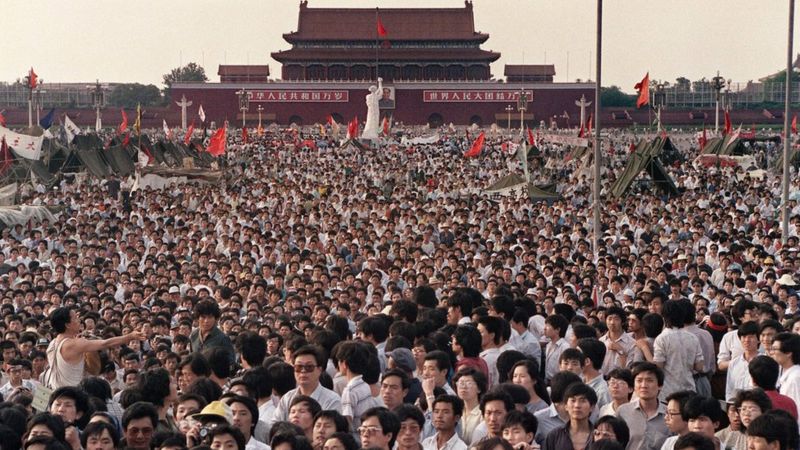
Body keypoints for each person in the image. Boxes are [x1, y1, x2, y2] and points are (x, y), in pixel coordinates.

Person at [45, 307, 144, 389]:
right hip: (73, 395)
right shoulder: (75, 343)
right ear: (67, 325)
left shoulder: (52, 343)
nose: (79, 320)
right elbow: (105, 343)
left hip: (55, 394)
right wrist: (130, 336)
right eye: (75, 318)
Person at [273, 345, 341, 422]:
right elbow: (275, 425)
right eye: (298, 367)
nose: (303, 371)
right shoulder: (287, 398)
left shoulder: (332, 400)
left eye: (309, 367)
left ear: (319, 370)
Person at [653, 301, 704, 402]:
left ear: (664, 316)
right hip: (689, 390)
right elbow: (699, 367)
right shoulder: (692, 338)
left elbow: (659, 366)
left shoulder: (661, 338)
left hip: (668, 392)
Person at [616, 362, 669, 450]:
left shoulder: (670, 414)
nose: (644, 385)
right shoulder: (623, 412)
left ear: (660, 385)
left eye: (649, 380)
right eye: (639, 381)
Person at [542, 383, 596, 450]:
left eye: (583, 401)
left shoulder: (599, 436)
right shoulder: (554, 435)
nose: (577, 405)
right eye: (573, 401)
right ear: (566, 406)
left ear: (592, 407)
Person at [725, 321, 759, 403]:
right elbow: (729, 390)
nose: (747, 340)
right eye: (743, 337)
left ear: (758, 339)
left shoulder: (765, 361)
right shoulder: (734, 363)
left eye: (751, 337)